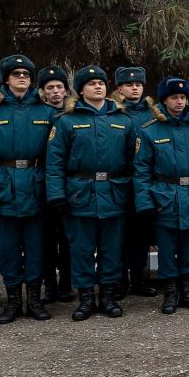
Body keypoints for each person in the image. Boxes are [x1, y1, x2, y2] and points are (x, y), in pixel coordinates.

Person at [0, 54, 56, 324]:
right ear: (6, 79)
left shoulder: (48, 112)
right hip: (3, 188)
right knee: (7, 248)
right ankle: (13, 301)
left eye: (26, 75)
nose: (22, 78)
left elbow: (56, 157)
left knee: (35, 247)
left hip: (36, 186)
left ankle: (34, 299)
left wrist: (54, 194)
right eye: (16, 74)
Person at [46, 65, 132, 320]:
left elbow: (133, 162)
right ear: (80, 90)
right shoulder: (66, 121)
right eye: (91, 83)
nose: (98, 86)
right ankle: (85, 298)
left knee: (111, 249)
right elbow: (54, 162)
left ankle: (107, 296)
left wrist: (132, 195)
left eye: (101, 83)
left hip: (114, 192)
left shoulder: (123, 120)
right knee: (81, 248)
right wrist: (56, 195)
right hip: (79, 194)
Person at [135, 77, 189, 314]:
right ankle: (170, 292)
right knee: (167, 248)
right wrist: (146, 203)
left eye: (183, 97)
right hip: (164, 197)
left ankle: (188, 290)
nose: (179, 102)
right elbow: (141, 171)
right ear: (164, 100)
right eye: (174, 97)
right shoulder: (150, 131)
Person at [34, 65, 75, 305]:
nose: (56, 92)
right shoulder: (39, 114)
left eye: (60, 87)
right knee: (46, 238)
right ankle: (49, 284)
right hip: (41, 183)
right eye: (50, 88)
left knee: (68, 238)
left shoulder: (72, 116)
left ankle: (66, 283)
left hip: (67, 183)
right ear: (42, 91)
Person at [114, 67, 156, 297]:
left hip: (144, 182)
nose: (134, 88)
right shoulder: (112, 112)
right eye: (129, 85)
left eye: (138, 85)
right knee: (119, 234)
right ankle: (119, 280)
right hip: (119, 180)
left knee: (142, 233)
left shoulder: (153, 113)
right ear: (120, 88)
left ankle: (139, 278)